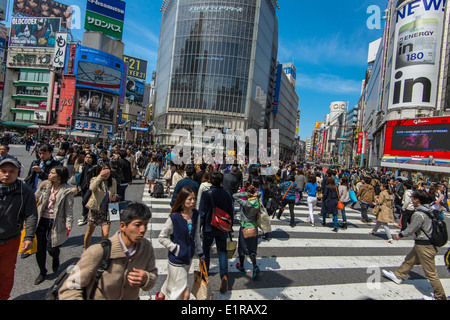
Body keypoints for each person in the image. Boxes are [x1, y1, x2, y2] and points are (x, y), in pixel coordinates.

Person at [58, 203, 158, 300]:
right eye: (138, 225)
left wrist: (146, 279)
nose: (143, 229)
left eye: (145, 224)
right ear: (123, 226)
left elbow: (152, 273)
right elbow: (69, 288)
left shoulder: (146, 248)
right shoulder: (98, 251)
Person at [382, 190, 447, 300]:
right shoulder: (429, 210)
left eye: (412, 197)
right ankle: (398, 275)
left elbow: (411, 229)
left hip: (425, 245)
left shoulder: (419, 214)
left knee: (431, 273)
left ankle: (440, 297)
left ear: (417, 200)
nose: (411, 199)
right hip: (424, 243)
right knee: (409, 260)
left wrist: (400, 235)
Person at [0, 158, 38, 300]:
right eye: (3, 171)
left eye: (12, 171)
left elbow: (31, 215)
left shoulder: (25, 192)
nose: (7, 174)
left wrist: (28, 237)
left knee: (6, 274)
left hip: (10, 240)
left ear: (18, 173)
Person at [157, 187, 203, 300]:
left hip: (188, 257)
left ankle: (161, 296)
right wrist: (175, 248)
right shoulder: (174, 218)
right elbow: (162, 237)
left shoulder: (196, 215)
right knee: (182, 293)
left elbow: (196, 235)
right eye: (189, 199)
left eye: (194, 199)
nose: (193, 202)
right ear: (182, 200)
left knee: (173, 280)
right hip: (176, 259)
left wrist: (200, 253)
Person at [34, 166, 75, 285]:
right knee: (40, 247)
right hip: (41, 219)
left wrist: (69, 223)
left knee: (51, 247)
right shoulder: (45, 185)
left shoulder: (67, 190)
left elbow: (69, 208)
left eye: (53, 173)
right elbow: (34, 199)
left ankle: (55, 256)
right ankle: (42, 272)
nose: (49, 174)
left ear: (60, 177)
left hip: (56, 221)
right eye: (50, 172)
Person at [198, 171, 234, 294]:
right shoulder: (227, 194)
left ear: (210, 181)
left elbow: (202, 213)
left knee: (206, 250)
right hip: (222, 227)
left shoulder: (206, 194)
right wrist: (230, 226)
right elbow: (231, 212)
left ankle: (205, 273)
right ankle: (224, 276)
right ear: (221, 181)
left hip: (209, 226)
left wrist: (199, 228)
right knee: (222, 251)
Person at [84, 165, 119, 250]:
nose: (106, 175)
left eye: (108, 172)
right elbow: (91, 188)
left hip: (107, 210)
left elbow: (115, 192)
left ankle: (104, 252)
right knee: (89, 232)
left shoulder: (113, 181)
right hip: (95, 209)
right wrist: (100, 176)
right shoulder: (94, 179)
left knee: (105, 233)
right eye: (104, 172)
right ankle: (85, 248)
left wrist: (115, 196)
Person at [233, 184, 262, 280]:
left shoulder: (246, 203)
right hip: (254, 226)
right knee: (252, 248)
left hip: (245, 226)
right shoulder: (258, 201)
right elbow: (259, 194)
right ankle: (255, 266)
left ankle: (241, 266)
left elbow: (234, 195)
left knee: (242, 247)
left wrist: (246, 194)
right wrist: (254, 194)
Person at [77, 152, 98, 226]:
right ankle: (85, 216)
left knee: (84, 201)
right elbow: (80, 176)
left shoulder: (95, 167)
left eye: (89, 158)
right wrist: (78, 184)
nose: (87, 159)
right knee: (85, 202)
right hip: (83, 186)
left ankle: (85, 216)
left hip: (90, 187)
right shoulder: (83, 166)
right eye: (86, 157)